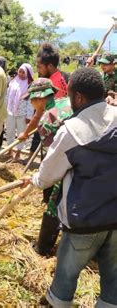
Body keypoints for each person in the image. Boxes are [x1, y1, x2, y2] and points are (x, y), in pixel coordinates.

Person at [22, 68, 117, 307]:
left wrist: (33, 181)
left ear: (78, 98)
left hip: (84, 219)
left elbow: (47, 176)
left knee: (65, 278)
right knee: (113, 283)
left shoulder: (72, 130)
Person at [21, 78, 72, 257]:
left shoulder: (49, 119)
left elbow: (53, 159)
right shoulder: (65, 102)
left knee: (55, 203)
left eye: (32, 100)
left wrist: (39, 179)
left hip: (69, 165)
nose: (31, 103)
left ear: (41, 98)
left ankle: (43, 249)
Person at [5, 63, 34, 162]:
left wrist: (29, 116)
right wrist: (6, 109)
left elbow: (31, 102)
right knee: (9, 132)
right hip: (11, 112)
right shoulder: (13, 82)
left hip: (23, 113)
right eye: (20, 72)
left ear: (28, 73)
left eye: (23, 72)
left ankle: (18, 153)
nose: (21, 74)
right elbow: (7, 96)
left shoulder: (30, 85)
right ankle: (10, 151)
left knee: (21, 133)